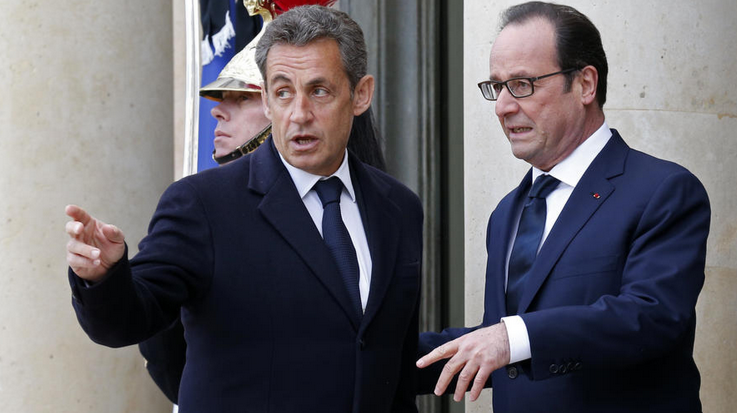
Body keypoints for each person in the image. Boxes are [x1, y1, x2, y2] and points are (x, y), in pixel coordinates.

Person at [65, 5, 421, 413]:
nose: (299, 114)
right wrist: (105, 277)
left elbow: (389, 358)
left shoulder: (399, 208)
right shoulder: (201, 204)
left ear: (361, 95)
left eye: (319, 91)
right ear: (267, 101)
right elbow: (131, 321)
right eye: (283, 92)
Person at [416, 2, 710, 412]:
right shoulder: (506, 213)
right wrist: (373, 359)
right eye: (497, 87)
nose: (503, 106)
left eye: (522, 84)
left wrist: (510, 338)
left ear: (585, 84)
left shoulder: (663, 191)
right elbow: (502, 341)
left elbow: (650, 317)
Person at [137, 8, 387, 402]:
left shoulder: (390, 207)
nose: (217, 110)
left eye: (241, 97)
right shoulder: (199, 204)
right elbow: (159, 343)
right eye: (282, 91)